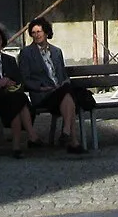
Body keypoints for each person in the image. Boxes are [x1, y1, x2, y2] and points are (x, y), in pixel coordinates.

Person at [18, 17, 93, 153]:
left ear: (46, 32)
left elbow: (63, 75)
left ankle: (70, 138)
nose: (37, 35)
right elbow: (25, 78)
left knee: (66, 94)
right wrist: (40, 87)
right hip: (42, 94)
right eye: (33, 32)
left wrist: (63, 84)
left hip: (60, 92)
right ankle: (71, 139)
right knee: (68, 93)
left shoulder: (56, 51)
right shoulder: (26, 53)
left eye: (39, 31)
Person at [0, 25, 34, 158]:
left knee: (15, 102)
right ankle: (31, 135)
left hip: (12, 96)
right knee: (18, 101)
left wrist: (11, 83)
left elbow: (20, 81)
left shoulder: (10, 60)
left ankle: (17, 147)